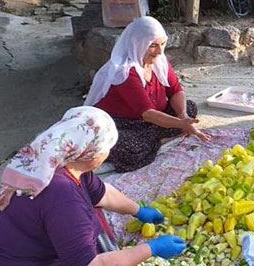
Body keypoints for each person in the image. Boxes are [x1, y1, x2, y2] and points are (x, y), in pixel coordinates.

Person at [0, 106, 186, 266]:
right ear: (91, 153)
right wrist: (151, 249)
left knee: (92, 213)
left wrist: (138, 211)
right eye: (106, 148)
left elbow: (103, 194)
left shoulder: (58, 164)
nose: (107, 153)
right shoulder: (62, 195)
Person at [85, 16, 209, 172]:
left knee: (189, 108)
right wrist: (180, 124)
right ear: (138, 44)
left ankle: (155, 138)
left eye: (162, 44)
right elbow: (148, 114)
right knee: (131, 147)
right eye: (153, 46)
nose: (159, 51)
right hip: (123, 123)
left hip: (151, 121)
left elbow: (176, 90)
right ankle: (158, 139)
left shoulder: (160, 61)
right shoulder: (125, 72)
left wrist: (183, 116)